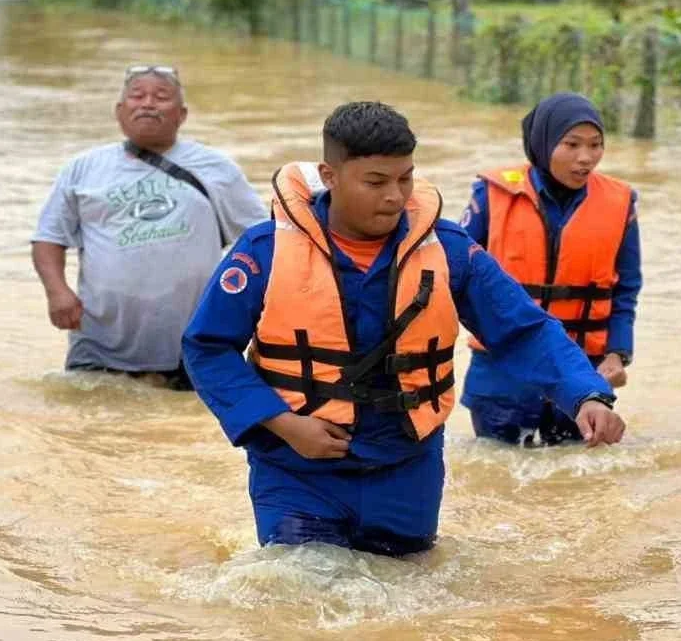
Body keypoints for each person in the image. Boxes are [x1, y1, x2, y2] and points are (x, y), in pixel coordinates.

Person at [182, 101, 625, 557]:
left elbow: (524, 330)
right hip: (297, 469)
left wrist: (586, 394)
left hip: (407, 469)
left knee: (406, 605)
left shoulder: (447, 249)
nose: (395, 195)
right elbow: (207, 348)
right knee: (305, 597)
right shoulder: (265, 249)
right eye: (376, 182)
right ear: (329, 177)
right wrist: (284, 424)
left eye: (405, 178)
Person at [31, 65, 268, 390]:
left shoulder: (216, 168)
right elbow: (49, 238)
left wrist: (252, 306)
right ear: (119, 111)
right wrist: (57, 292)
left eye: (161, 97)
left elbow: (261, 240)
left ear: (181, 114)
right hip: (99, 339)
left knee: (181, 431)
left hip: (195, 341)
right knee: (87, 431)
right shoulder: (84, 169)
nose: (148, 103)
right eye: (137, 95)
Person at [460, 92, 643, 447]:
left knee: (578, 483)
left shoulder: (621, 203)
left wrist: (617, 353)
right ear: (543, 143)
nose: (585, 158)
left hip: (581, 371)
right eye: (571, 144)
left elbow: (626, 288)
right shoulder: (491, 194)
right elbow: (454, 276)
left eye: (595, 145)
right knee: (498, 475)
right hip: (502, 370)